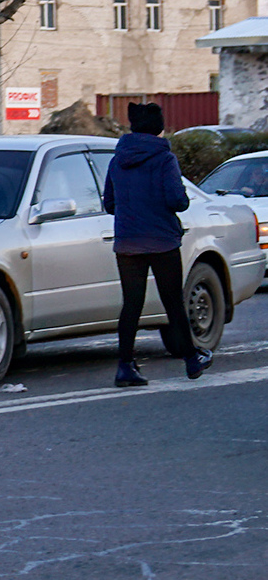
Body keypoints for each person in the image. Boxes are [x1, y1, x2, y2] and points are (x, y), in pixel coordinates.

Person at [100, 102, 212, 386]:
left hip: (127, 243)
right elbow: (177, 200)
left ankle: (125, 367)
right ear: (159, 127)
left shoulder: (117, 159)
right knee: (173, 300)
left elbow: (109, 204)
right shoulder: (165, 159)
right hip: (162, 240)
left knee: (132, 304)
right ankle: (191, 360)